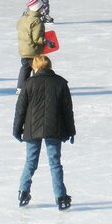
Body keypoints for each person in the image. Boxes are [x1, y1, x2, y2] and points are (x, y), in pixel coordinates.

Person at [13, 54, 76, 210]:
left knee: (30, 162)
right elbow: (68, 110)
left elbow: (20, 109)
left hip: (31, 128)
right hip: (54, 128)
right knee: (55, 164)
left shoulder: (28, 83)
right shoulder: (61, 83)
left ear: (35, 66)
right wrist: (71, 130)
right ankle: (61, 197)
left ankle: (23, 192)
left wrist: (16, 130)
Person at [17, 0, 54, 93]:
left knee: (25, 68)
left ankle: (20, 88)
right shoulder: (37, 21)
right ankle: (36, 88)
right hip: (34, 51)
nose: (43, 9)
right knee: (37, 69)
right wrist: (47, 42)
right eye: (42, 7)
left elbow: (18, 27)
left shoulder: (23, 19)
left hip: (23, 49)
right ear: (38, 8)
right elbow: (37, 39)